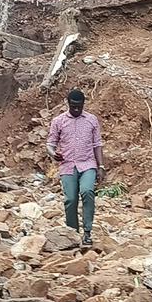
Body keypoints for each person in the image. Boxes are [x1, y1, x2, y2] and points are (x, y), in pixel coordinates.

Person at [46, 89, 103, 246]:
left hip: (88, 164)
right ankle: (73, 233)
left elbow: (97, 144)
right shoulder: (59, 121)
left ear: (83, 104)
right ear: (68, 103)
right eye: (73, 106)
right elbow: (50, 143)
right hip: (68, 165)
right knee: (70, 199)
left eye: (79, 106)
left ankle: (87, 232)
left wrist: (101, 166)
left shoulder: (92, 120)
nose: (76, 109)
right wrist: (53, 153)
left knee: (87, 191)